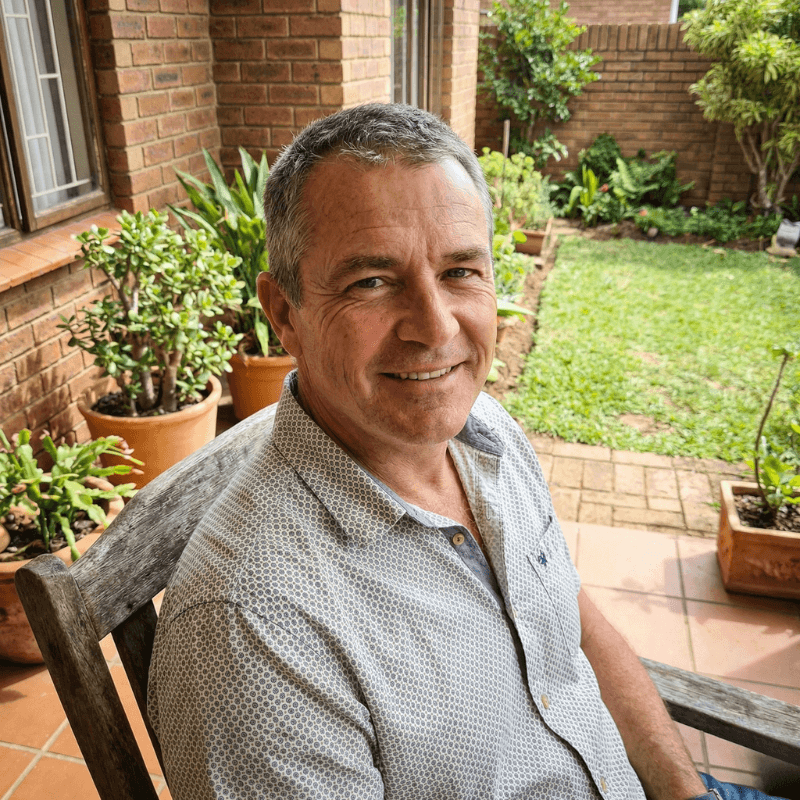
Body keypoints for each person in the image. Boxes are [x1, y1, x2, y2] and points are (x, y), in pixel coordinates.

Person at [148, 103, 777, 800]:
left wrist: (684, 790)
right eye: (371, 282)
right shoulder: (253, 629)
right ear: (284, 313)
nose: (436, 327)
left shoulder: (487, 432)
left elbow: (572, 617)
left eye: (460, 272)